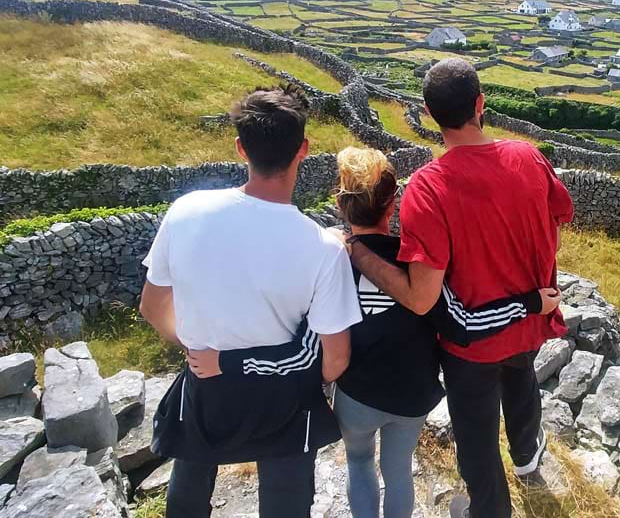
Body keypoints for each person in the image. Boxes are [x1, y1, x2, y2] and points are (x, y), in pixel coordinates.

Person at [189, 146, 547, 518]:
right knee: (398, 473)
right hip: (413, 396)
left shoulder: (330, 262)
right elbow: (463, 323)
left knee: (360, 464)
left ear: (341, 205)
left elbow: (307, 337)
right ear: (392, 204)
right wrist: (530, 304)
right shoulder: (420, 265)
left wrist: (232, 362)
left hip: (357, 396)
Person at [337, 58, 574, 518]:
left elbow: (422, 297)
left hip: (470, 348)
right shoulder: (528, 156)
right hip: (527, 319)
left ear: (427, 113)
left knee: (477, 441)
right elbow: (556, 223)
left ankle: (490, 510)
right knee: (522, 384)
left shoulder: (429, 187)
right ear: (481, 103)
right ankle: (528, 458)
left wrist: (360, 253)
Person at [138, 84, 363, 518]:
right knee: (285, 504)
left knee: (188, 494)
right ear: (304, 150)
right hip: (283, 400)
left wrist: (195, 348)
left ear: (241, 148)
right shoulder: (323, 249)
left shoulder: (186, 211)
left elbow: (152, 306)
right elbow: (335, 359)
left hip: (206, 387)